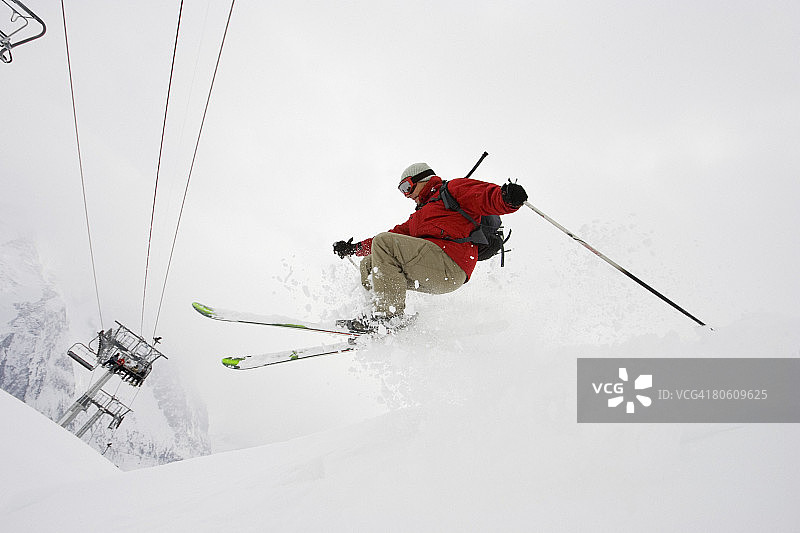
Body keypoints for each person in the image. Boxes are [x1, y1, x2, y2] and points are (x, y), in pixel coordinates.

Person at [333, 162, 527, 332]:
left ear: (423, 179)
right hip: (432, 271)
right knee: (370, 263)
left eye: (407, 187)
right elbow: (388, 238)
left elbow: (486, 197)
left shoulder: (452, 189)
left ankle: (388, 318)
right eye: (402, 191)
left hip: (450, 264)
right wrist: (354, 249)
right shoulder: (419, 217)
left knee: (384, 243)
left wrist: (507, 198)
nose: (406, 195)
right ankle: (375, 316)